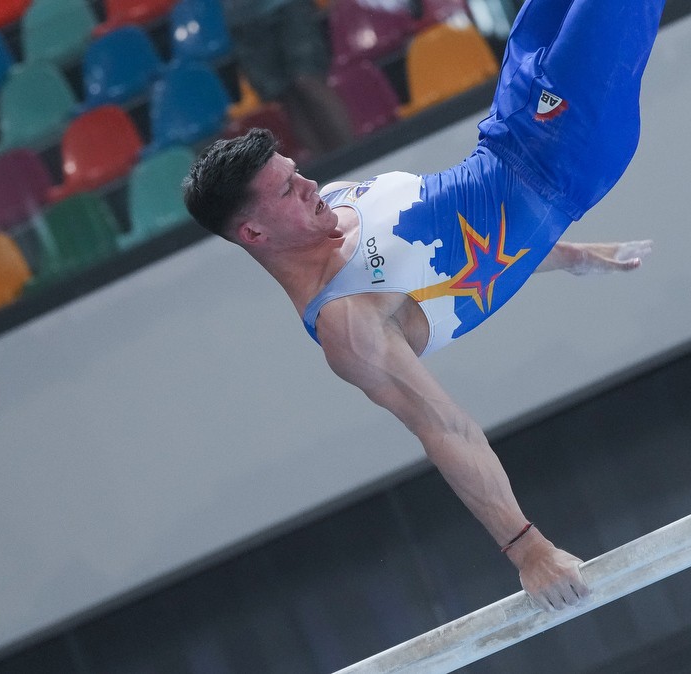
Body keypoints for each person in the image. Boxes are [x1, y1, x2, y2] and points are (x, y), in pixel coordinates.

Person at [182, 0, 665, 612]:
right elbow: (445, 428)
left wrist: (568, 256)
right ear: (254, 233)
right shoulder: (348, 323)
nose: (307, 183)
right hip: (565, 147)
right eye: (287, 190)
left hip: (513, 114)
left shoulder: (336, 199)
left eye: (294, 171)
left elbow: (465, 247)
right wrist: (529, 550)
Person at [221, 0, 354, 155]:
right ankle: (328, 160)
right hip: (240, 20)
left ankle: (354, 153)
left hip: (286, 6)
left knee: (307, 80)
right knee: (287, 98)